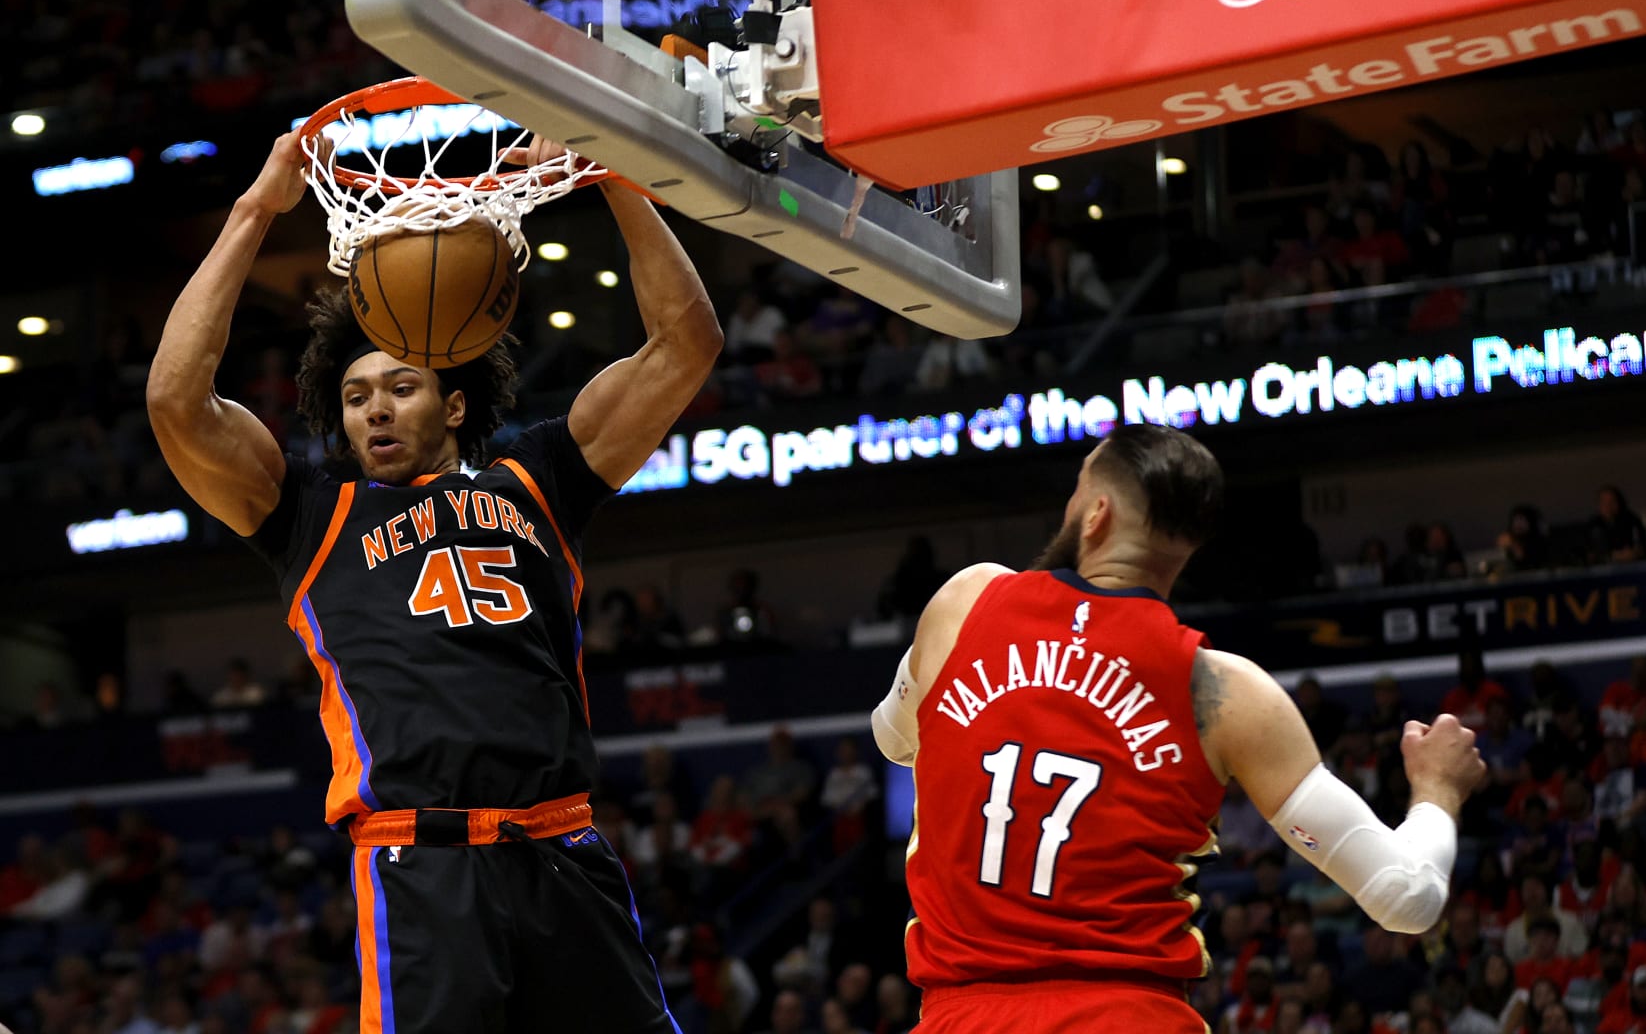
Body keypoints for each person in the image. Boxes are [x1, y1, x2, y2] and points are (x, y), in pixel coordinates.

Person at [146, 130, 721, 1032]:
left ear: (454, 403)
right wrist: (255, 211)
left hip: (561, 845)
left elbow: (685, 344)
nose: (375, 407)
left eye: (400, 386)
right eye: (356, 396)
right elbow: (176, 402)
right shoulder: (310, 518)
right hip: (423, 866)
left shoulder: (539, 479)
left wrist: (612, 173)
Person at [866, 425, 1487, 1033]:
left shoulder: (967, 601)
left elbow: (894, 739)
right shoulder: (1223, 691)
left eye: (1078, 489)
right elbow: (1406, 898)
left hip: (959, 1014)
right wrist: (1437, 788)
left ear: (1096, 514)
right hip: (1130, 1016)